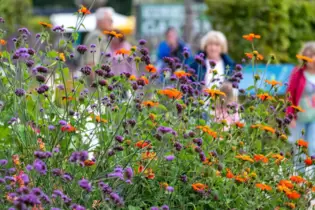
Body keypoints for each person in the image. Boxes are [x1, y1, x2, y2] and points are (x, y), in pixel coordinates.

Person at [287, 42, 315, 175]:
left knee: (313, 147)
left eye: (313, 55)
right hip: (299, 117)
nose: (311, 58)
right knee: (299, 148)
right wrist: (289, 116)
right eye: (308, 55)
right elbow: (289, 94)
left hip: (314, 117)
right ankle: (299, 178)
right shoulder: (298, 73)